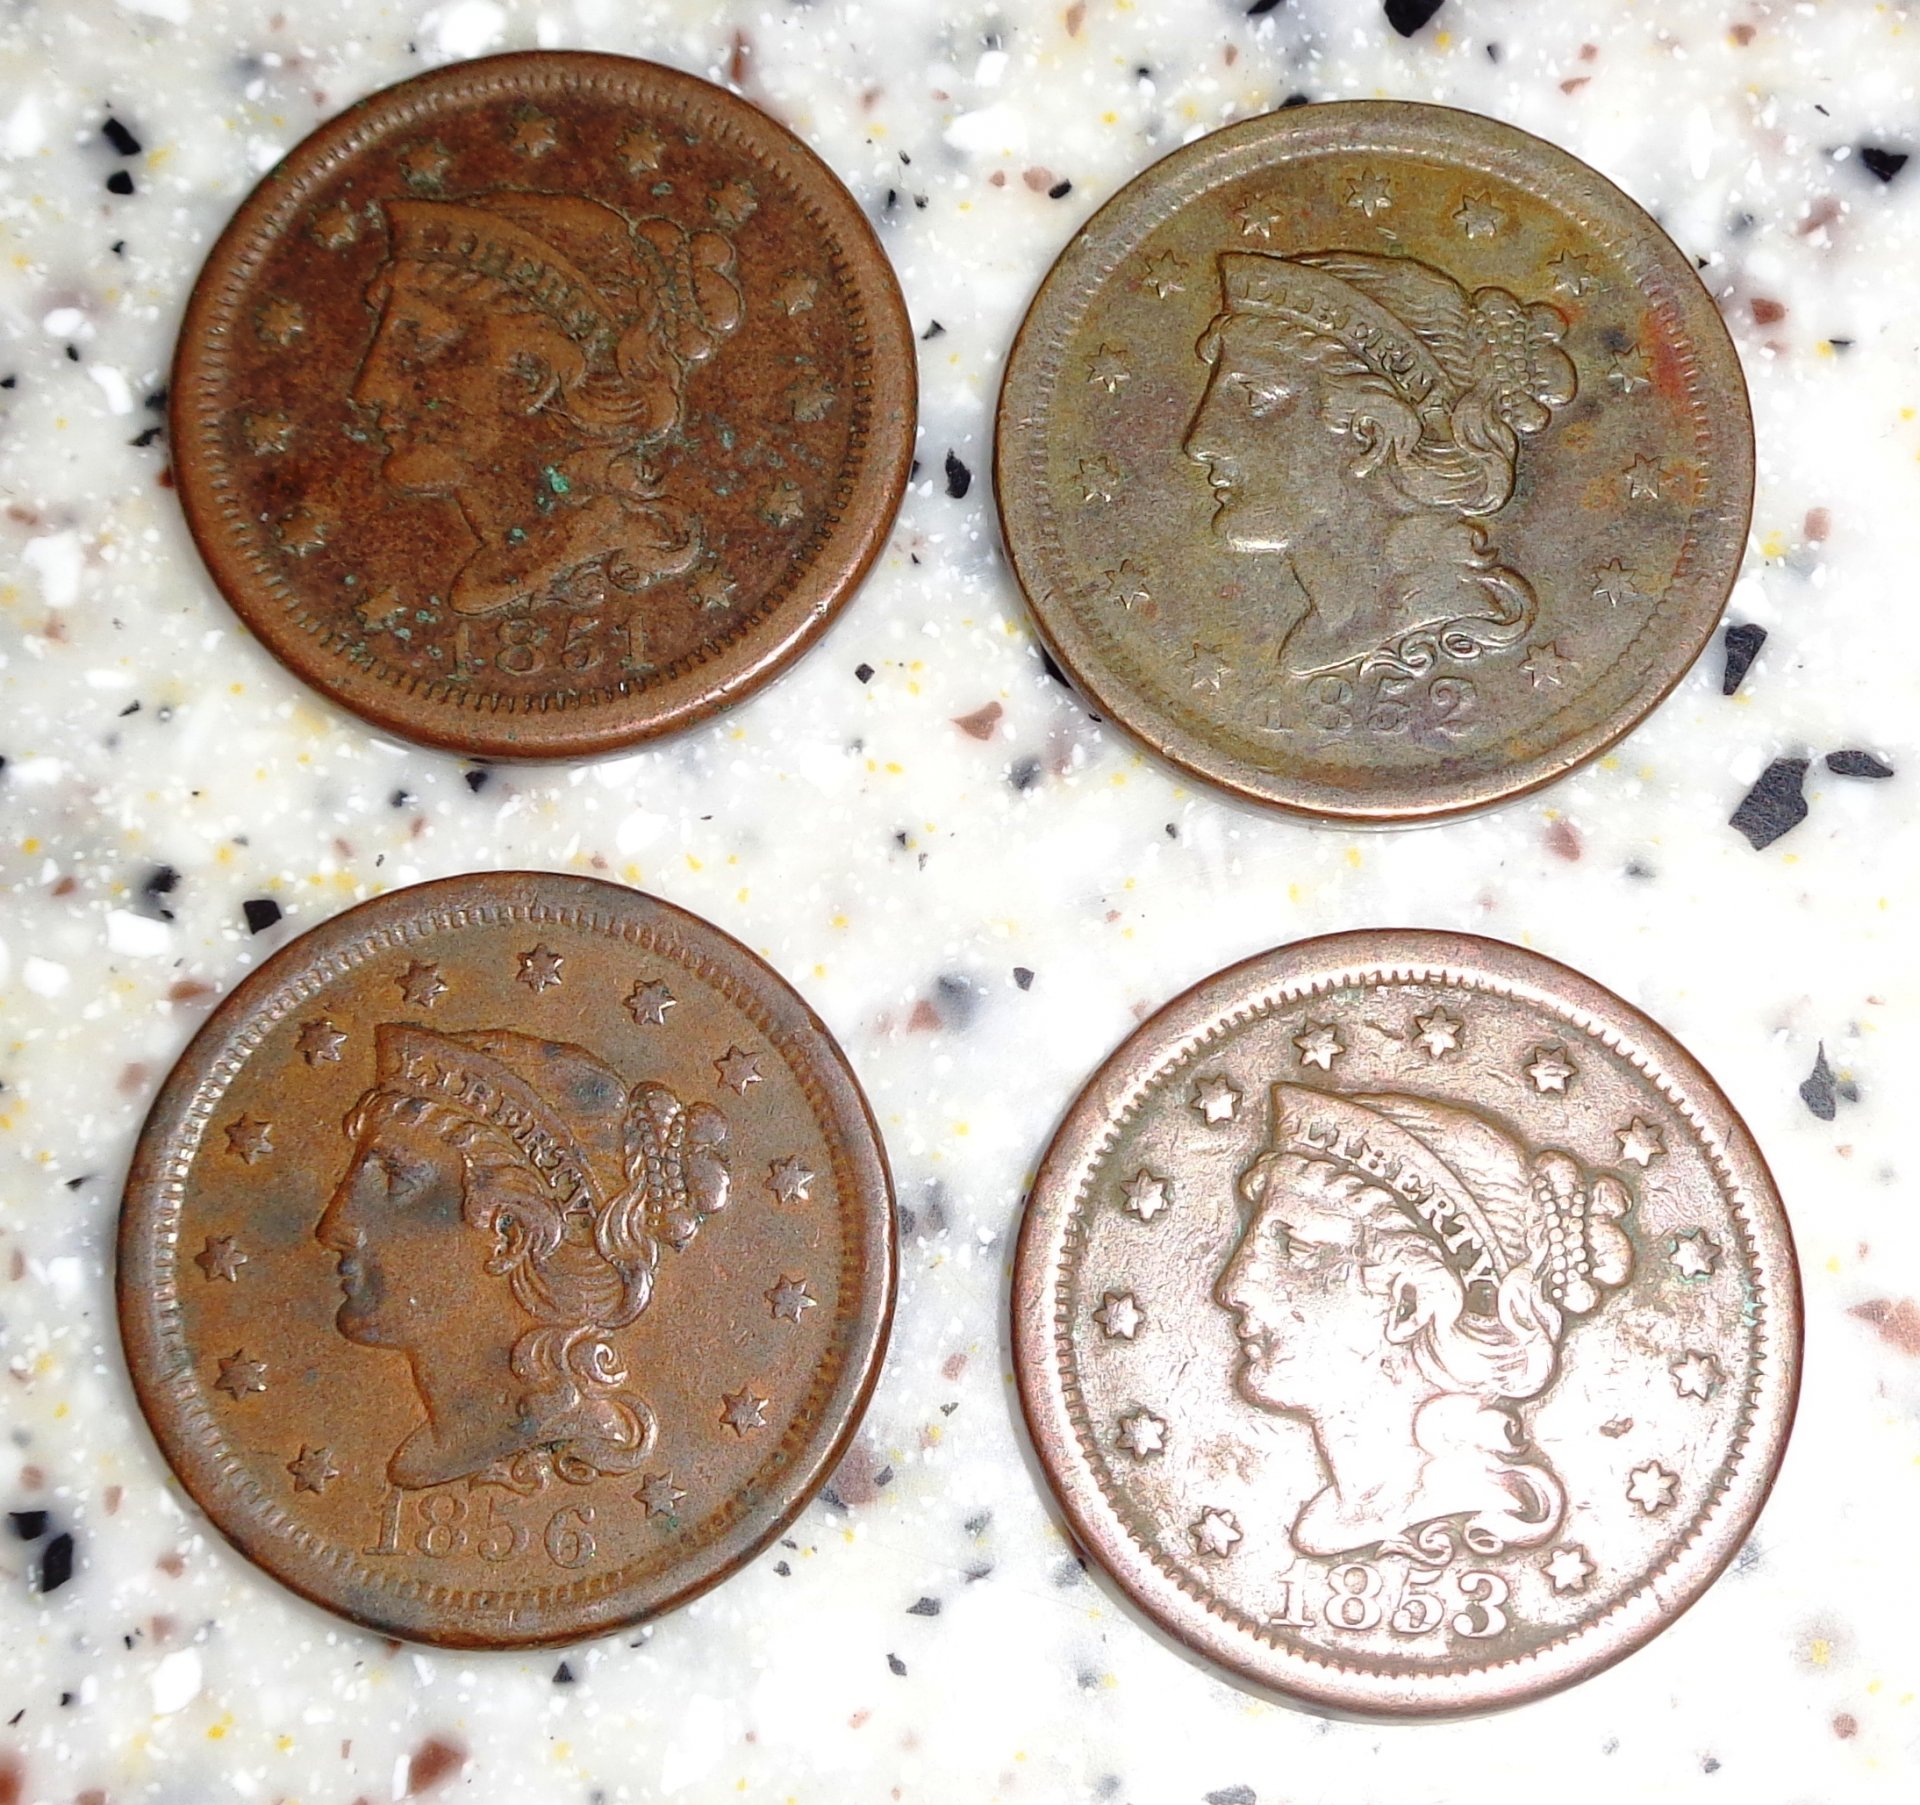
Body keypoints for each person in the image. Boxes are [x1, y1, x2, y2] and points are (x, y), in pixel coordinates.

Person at [1215, 1082, 1634, 1560]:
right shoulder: (1329, 1520)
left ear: (1408, 1305)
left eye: (1298, 1248)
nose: (1233, 1287)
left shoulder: (1469, 1514)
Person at [315, 1023, 730, 1492]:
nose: (334, 1226)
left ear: (511, 1234)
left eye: (395, 1178)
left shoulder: (577, 1452)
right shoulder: (425, 1455)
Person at [1183, 249, 1576, 682]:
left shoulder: (1449, 624)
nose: (1199, 441)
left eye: (1256, 397)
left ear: (1371, 435)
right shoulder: (1319, 641)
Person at [350, 191, 743, 618]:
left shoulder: (624, 550)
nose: (370, 390)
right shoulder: (496, 573)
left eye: (422, 342)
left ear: (532, 376)